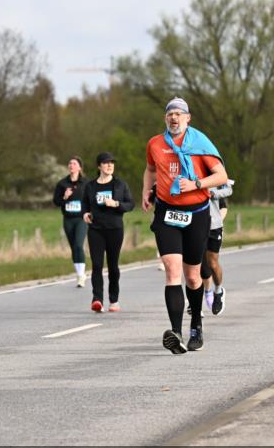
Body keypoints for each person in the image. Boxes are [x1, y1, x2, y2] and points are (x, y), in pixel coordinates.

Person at [142, 97, 228, 354]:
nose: (174, 118)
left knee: (193, 277)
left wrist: (197, 184)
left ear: (188, 118)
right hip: (167, 213)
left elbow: (221, 176)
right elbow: (149, 169)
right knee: (172, 270)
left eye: (179, 114)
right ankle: (176, 332)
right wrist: (147, 190)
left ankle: (196, 327)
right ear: (165, 119)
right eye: (170, 114)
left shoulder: (200, 143)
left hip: (196, 213)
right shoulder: (155, 144)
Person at [81, 152, 134, 312]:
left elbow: (130, 204)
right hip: (96, 230)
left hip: (115, 229)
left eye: (112, 163)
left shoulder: (120, 185)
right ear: (99, 166)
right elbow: (84, 205)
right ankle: (97, 299)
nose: (110, 165)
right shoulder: (90, 186)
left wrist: (116, 203)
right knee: (97, 265)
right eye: (105, 163)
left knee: (113, 266)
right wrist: (84, 214)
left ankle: (114, 300)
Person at [53, 157, 89, 287]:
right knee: (74, 247)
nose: (71, 165)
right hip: (68, 219)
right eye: (70, 163)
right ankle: (79, 273)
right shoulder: (62, 184)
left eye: (74, 163)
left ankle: (81, 276)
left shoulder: (85, 183)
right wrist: (65, 197)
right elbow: (56, 202)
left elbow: (91, 199)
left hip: (81, 218)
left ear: (79, 167)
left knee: (79, 245)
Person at [201, 179, 233, 315]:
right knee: (195, 265)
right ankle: (194, 304)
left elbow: (228, 190)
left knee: (212, 263)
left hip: (214, 225)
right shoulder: (188, 167)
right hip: (195, 225)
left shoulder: (214, 170)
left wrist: (213, 193)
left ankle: (218, 291)